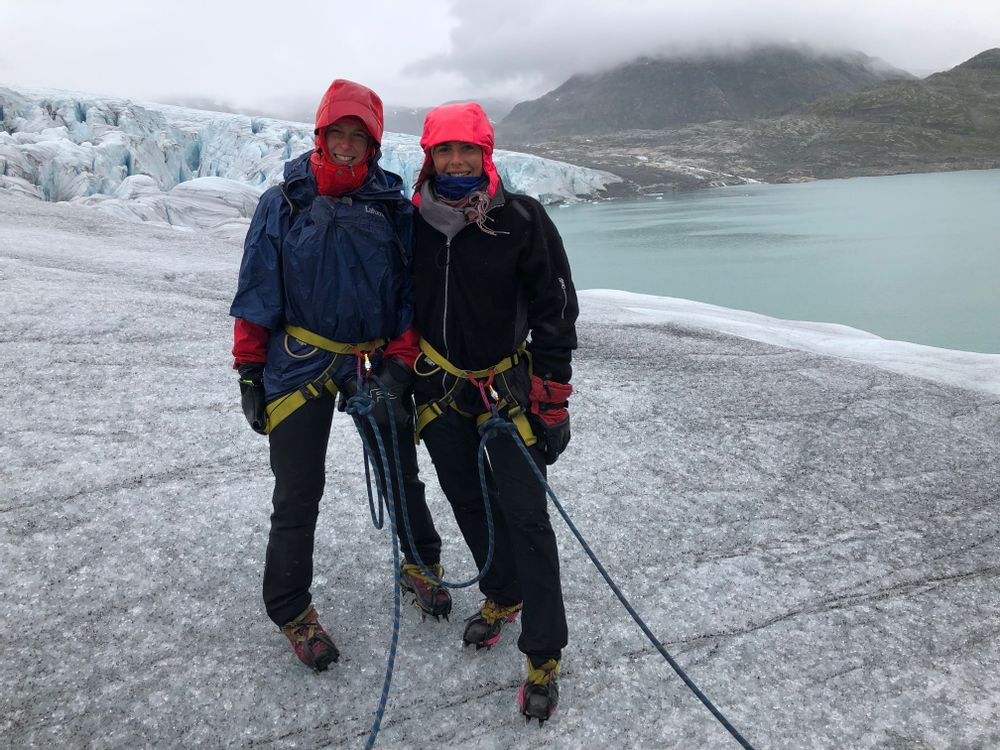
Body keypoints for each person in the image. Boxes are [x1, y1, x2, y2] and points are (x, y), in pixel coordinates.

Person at [229, 79, 451, 674]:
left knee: (400, 470)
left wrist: (401, 367)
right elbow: (258, 290)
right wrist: (249, 370)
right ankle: (292, 610)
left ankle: (420, 562)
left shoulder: (390, 207)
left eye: (360, 137)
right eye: (339, 134)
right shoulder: (286, 201)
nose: (348, 147)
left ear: (374, 145)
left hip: (373, 362)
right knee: (298, 491)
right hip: (298, 361)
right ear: (320, 135)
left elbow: (407, 295)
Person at [405, 101, 579, 721]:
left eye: (468, 150)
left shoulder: (521, 219)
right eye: (445, 150)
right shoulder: (414, 223)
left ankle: (544, 651)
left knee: (527, 516)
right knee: (468, 501)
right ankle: (501, 594)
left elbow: (556, 312)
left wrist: (551, 396)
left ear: (487, 154)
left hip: (508, 391)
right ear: (429, 156)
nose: (456, 161)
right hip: (440, 390)